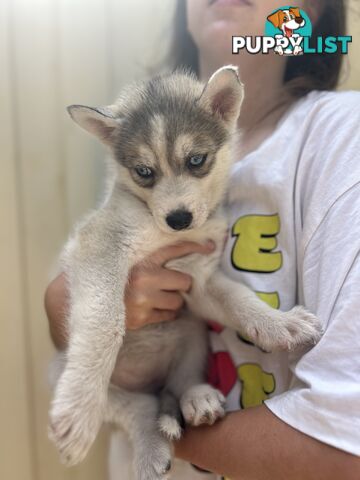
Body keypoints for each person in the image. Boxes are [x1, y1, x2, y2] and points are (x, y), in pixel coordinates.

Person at [45, 0, 360, 478]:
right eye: (148, 173)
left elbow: (342, 444)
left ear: (311, 12)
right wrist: (59, 308)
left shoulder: (340, 137)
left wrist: (261, 320)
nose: (171, 202)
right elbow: (95, 302)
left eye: (195, 162)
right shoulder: (135, 161)